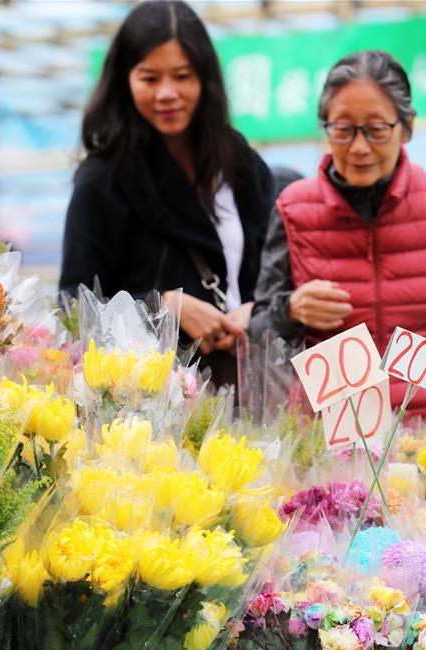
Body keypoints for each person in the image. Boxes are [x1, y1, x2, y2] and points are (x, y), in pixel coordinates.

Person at [250, 50, 426, 418]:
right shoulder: (293, 209)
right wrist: (290, 310)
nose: (358, 147)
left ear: (407, 127)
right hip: (335, 455)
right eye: (342, 129)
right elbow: (259, 328)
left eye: (375, 130)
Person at [59, 0, 274, 387]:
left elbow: (279, 265)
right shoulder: (103, 179)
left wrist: (256, 310)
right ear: (125, 80)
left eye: (182, 76)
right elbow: (73, 305)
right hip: (151, 401)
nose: (167, 93)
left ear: (204, 79)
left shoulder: (238, 161)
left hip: (247, 383)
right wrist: (163, 306)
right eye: (150, 78)